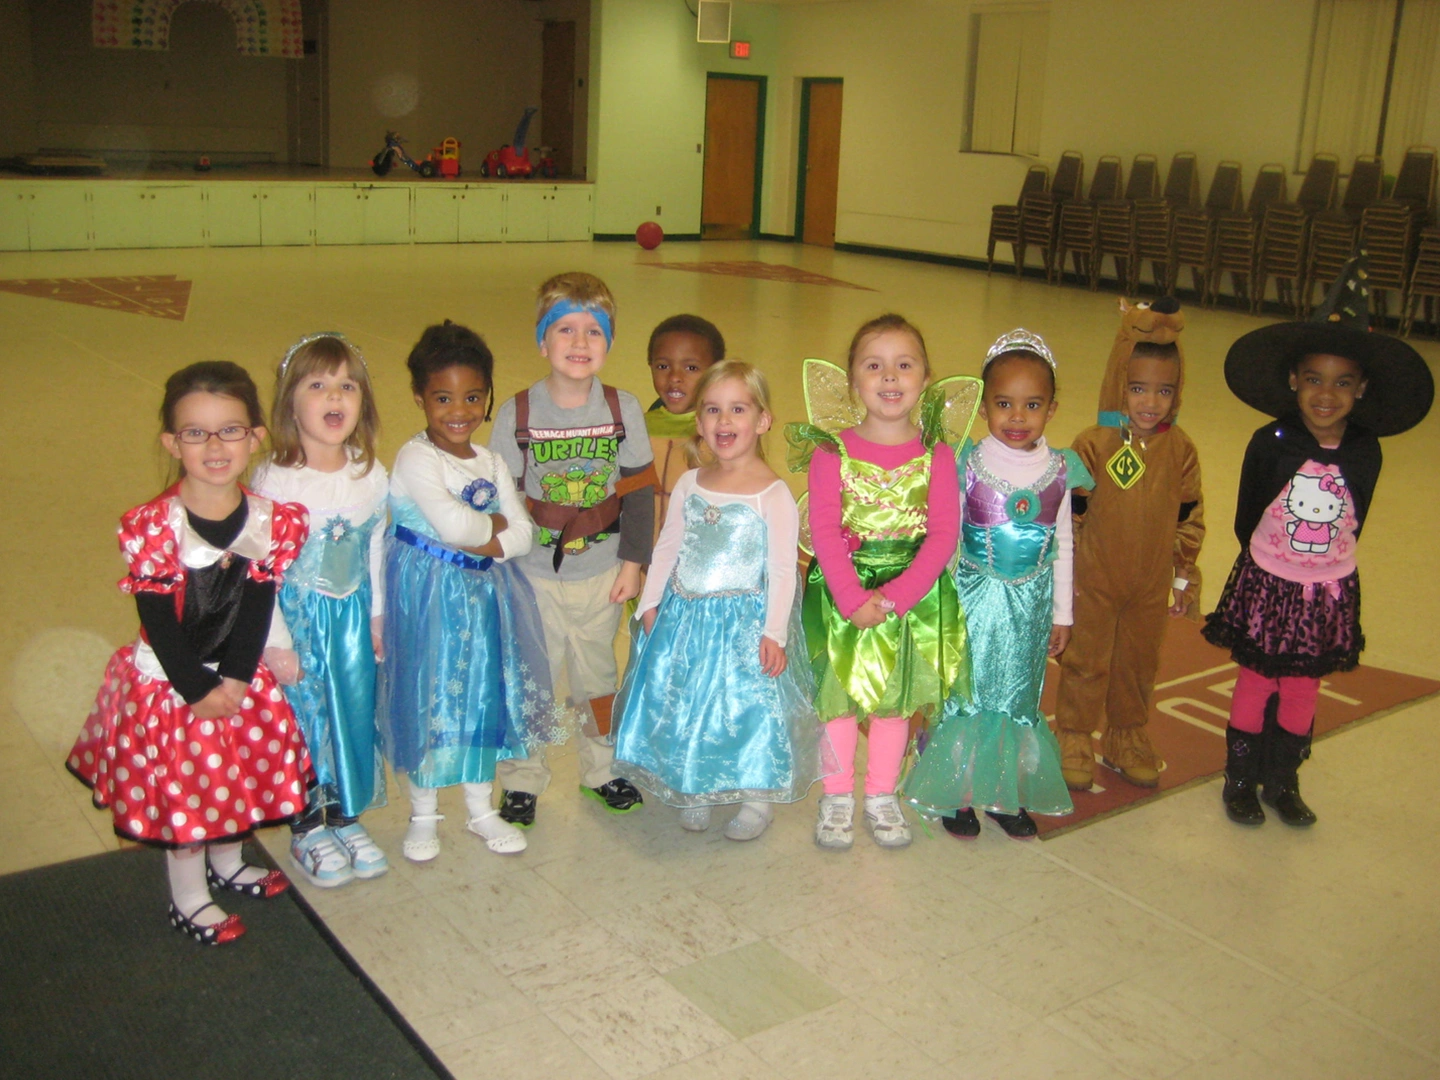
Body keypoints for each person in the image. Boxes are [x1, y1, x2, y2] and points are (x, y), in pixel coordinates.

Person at [67, 362, 311, 945]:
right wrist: (199, 691)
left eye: (230, 430)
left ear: (254, 437)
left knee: (234, 777)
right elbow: (156, 619)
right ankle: (189, 894)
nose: (214, 446)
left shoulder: (271, 521)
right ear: (172, 443)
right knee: (189, 792)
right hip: (174, 686)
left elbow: (257, 603)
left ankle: (228, 864)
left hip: (237, 677)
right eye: (196, 433)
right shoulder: (155, 527)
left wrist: (237, 680)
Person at [1203, 259, 1433, 827]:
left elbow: (1358, 515)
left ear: (1361, 389)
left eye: (1342, 382)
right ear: (1293, 381)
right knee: (1257, 677)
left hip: (1324, 590)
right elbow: (1247, 509)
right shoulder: (1271, 441)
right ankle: (1239, 779)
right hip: (1268, 581)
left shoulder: (1364, 451)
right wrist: (1272, 563)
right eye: (1313, 379)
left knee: (1304, 684)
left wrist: (1323, 569)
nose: (1325, 394)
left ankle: (1282, 779)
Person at [613, 361, 829, 840]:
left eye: (737, 409)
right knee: (690, 704)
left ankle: (755, 798)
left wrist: (773, 632)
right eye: (713, 410)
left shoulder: (772, 494)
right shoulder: (691, 482)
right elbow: (668, 544)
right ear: (699, 421)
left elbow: (781, 570)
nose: (724, 422)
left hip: (743, 624)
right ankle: (696, 786)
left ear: (763, 421)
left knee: (746, 708)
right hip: (686, 615)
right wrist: (651, 602)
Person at [378, 321, 563, 862]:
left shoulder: (491, 461)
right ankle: (423, 812)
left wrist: (495, 539)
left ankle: (481, 808)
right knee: (429, 696)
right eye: (442, 397)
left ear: (487, 398)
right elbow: (456, 528)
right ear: (419, 398)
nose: (459, 410)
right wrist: (495, 532)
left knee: (484, 693)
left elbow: (525, 534)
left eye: (473, 397)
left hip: (484, 600)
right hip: (428, 601)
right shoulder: (416, 458)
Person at [789, 314, 968, 851]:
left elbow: (942, 536)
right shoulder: (831, 453)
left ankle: (881, 794)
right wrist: (849, 599)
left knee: (895, 701)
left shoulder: (936, 455)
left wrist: (893, 600)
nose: (890, 377)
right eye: (874, 365)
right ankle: (837, 794)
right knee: (838, 699)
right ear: (853, 381)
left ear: (925, 378)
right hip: (842, 595)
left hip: (909, 598)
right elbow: (822, 528)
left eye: (904, 364)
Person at [903, 330, 1087, 839]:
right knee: (968, 692)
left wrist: (1062, 615)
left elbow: (1063, 543)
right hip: (974, 598)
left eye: (1032, 404)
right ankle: (958, 793)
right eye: (1004, 404)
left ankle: (1004, 794)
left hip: (1030, 604)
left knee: (1017, 695)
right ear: (985, 408)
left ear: (1052, 408)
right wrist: (934, 600)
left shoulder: (1059, 470)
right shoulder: (967, 463)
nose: (1017, 417)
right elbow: (942, 537)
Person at [489, 272, 657, 826]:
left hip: (601, 574)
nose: (580, 343)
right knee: (531, 682)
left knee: (596, 680)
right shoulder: (516, 414)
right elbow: (501, 505)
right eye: (565, 330)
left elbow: (637, 492)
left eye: (594, 332)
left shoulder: (622, 407)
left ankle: (601, 769)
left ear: (609, 343)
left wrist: (634, 563)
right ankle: (521, 779)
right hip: (533, 576)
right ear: (542, 342)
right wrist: (502, 573)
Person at [253, 332, 389, 888]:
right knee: (304, 720)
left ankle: (345, 811)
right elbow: (259, 572)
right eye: (318, 385)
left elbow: (376, 546)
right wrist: (275, 639)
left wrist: (378, 615)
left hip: (353, 620)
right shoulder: (272, 481)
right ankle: (306, 821)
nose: (335, 398)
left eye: (347, 386)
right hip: (299, 623)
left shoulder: (368, 472)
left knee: (352, 713)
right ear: (291, 402)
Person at [1053, 337, 1205, 790]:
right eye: (1138, 389)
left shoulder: (1181, 450)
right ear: (1119, 385)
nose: (1150, 402)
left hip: (1150, 584)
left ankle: (1126, 735)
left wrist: (1182, 575)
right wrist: (1069, 574)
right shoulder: (1094, 444)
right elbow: (1071, 515)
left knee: (1138, 662)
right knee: (1086, 659)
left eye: (1164, 391)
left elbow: (1189, 515)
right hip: (1095, 580)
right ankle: (1075, 735)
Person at [644, 314, 725, 534]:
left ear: (715, 371)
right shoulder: (637, 427)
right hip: (644, 559)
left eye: (691, 368)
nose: (674, 378)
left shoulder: (724, 432)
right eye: (662, 366)